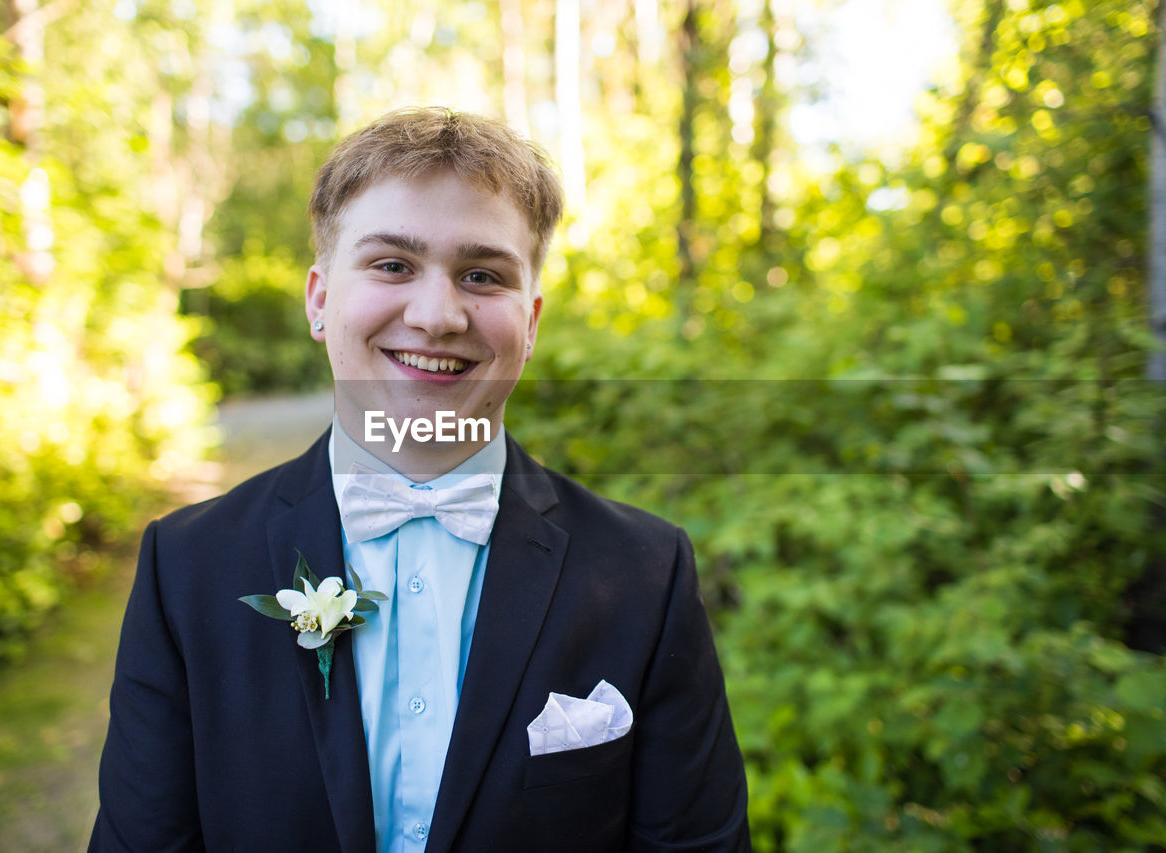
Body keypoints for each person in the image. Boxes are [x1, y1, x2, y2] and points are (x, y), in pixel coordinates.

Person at [89, 107, 749, 852]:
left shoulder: (645, 574)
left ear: (530, 321)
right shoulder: (185, 567)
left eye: (482, 275)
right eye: (393, 264)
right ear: (319, 299)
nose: (437, 315)